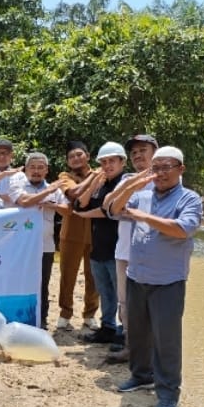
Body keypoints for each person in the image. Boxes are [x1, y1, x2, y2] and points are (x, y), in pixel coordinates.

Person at [110, 146, 203, 407]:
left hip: (168, 281)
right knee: (138, 333)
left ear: (180, 169)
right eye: (156, 168)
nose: (160, 173)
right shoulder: (142, 195)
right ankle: (141, 376)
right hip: (137, 276)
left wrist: (142, 216)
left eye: (166, 167)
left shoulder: (189, 198)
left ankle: (168, 394)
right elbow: (114, 209)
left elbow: (183, 229)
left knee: (166, 340)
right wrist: (133, 184)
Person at [103, 134, 158, 363]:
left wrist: (125, 209)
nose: (138, 155)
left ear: (155, 152)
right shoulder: (126, 178)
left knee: (153, 304)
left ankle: (154, 353)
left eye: (143, 150)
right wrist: (128, 194)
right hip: (124, 251)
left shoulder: (166, 178)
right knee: (125, 303)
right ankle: (130, 347)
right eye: (134, 152)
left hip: (154, 253)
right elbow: (109, 207)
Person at [74, 142, 127, 343]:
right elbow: (80, 204)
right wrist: (94, 182)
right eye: (103, 162)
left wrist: (84, 215)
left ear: (122, 162)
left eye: (112, 161)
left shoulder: (126, 183)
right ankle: (107, 327)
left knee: (123, 296)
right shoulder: (101, 184)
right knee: (105, 292)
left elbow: (109, 210)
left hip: (119, 249)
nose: (107, 165)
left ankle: (124, 331)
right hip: (98, 247)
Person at [10, 152, 70, 329]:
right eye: (32, 167)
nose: (36, 171)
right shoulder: (18, 186)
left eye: (40, 168)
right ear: (26, 169)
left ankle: (41, 320)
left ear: (46, 170)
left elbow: (68, 210)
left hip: (46, 246)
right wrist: (48, 192)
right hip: (21, 246)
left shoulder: (55, 189)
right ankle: (19, 318)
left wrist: (53, 205)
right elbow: (24, 202)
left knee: (42, 284)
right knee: (19, 282)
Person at [55, 141, 100, 331]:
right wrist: (94, 178)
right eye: (71, 156)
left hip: (96, 233)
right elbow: (73, 193)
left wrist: (96, 175)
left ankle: (90, 314)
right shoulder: (65, 176)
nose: (75, 158)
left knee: (94, 276)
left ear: (88, 156)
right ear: (67, 161)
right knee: (67, 276)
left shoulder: (102, 173)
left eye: (79, 154)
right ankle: (65, 313)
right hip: (70, 234)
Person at [0, 139, 27, 208]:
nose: (2, 156)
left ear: (12, 155)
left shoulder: (19, 175)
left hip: (12, 214)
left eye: (6, 153)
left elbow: (24, 198)